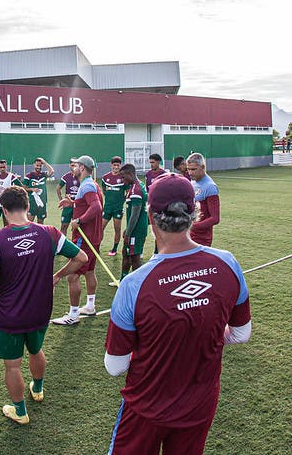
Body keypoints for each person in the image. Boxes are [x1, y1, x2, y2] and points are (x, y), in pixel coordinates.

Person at [105, 173, 251, 454]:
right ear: (195, 212)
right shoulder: (228, 263)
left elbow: (115, 366)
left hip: (146, 408)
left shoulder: (134, 284)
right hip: (200, 405)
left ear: (150, 215)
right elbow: (241, 333)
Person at [0, 186, 86, 424]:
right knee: (36, 350)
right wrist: (57, 276)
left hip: (9, 313)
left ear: (4, 210)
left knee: (13, 365)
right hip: (40, 310)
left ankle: (20, 410)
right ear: (28, 207)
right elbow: (81, 258)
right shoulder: (49, 232)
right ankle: (37, 389)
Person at [53, 155, 103, 325]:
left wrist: (79, 221)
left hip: (85, 237)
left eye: (75, 166)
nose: (73, 168)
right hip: (94, 237)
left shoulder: (87, 185)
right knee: (89, 272)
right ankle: (90, 306)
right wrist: (73, 203)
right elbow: (89, 204)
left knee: (72, 276)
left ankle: (73, 315)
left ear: (82, 168)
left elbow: (96, 207)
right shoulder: (93, 183)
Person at [119, 164, 148, 280]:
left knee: (135, 258)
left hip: (136, 231)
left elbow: (135, 215)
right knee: (125, 253)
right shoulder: (136, 185)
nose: (122, 180)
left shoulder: (136, 190)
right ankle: (123, 280)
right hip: (134, 229)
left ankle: (138, 284)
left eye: (123, 177)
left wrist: (128, 233)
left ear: (130, 174)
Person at [187, 153, 220, 247]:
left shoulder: (210, 187)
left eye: (193, 169)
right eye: (188, 169)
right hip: (188, 235)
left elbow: (215, 218)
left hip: (202, 238)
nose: (190, 172)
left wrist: (192, 227)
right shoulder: (192, 182)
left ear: (202, 167)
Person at [101, 156, 126, 256]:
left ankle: (114, 249)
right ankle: (97, 246)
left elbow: (127, 192)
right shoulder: (105, 177)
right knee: (100, 228)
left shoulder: (123, 178)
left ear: (120, 165)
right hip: (107, 208)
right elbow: (104, 190)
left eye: (118, 165)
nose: (116, 167)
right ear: (111, 165)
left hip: (118, 209)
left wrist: (120, 201)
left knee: (117, 229)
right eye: (114, 165)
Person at [0, 160, 21, 232]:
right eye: (1, 167)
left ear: (6, 166)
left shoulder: (11, 176)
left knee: (6, 224)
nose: (2, 169)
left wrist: (13, 195)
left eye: (4, 167)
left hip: (7, 204)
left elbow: (20, 187)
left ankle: (7, 239)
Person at [23, 157, 54, 224]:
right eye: (37, 165)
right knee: (29, 223)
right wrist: (32, 189)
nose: (39, 167)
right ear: (34, 165)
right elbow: (23, 188)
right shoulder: (29, 175)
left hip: (42, 203)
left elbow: (51, 171)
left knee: (40, 223)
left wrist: (44, 162)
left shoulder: (43, 174)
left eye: (40, 165)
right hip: (32, 203)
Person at [56, 161, 80, 236]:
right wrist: (61, 200)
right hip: (68, 206)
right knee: (63, 226)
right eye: (72, 165)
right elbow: (58, 188)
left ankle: (74, 245)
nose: (73, 167)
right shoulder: (66, 176)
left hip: (77, 205)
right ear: (69, 165)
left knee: (76, 227)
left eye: (75, 165)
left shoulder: (81, 176)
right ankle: (62, 245)